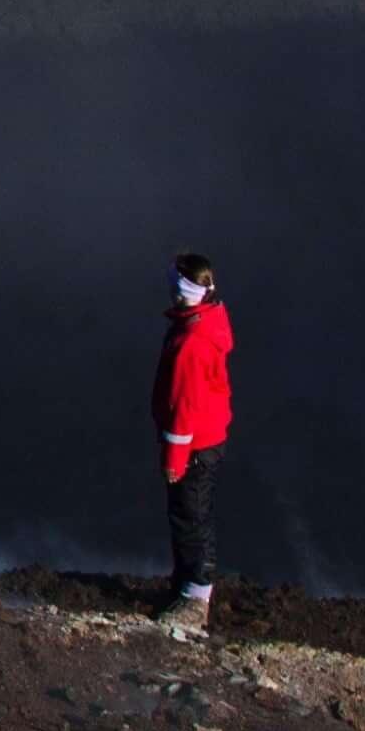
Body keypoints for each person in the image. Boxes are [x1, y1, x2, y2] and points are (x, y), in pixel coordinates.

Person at [158, 253, 233, 634]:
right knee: (190, 514)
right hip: (207, 438)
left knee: (191, 517)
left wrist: (175, 458)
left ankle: (195, 599)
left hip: (194, 446)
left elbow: (184, 406)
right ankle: (185, 586)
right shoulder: (206, 324)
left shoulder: (192, 342)